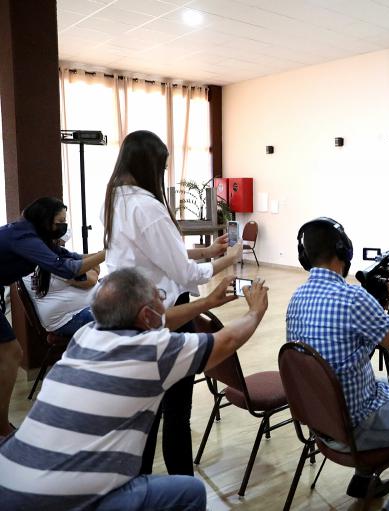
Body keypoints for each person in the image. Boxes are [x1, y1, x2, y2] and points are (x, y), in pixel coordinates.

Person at [0, 267, 270, 510]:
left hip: (9, 479)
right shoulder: (153, 351)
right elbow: (226, 341)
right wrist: (255, 310)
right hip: (55, 502)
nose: (164, 302)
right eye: (160, 297)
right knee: (189, 492)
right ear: (147, 315)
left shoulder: (86, 335)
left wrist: (208, 302)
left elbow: (161, 321)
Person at [102, 130, 242, 476]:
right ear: (151, 165)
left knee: (148, 409)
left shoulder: (117, 198)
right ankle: (182, 483)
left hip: (132, 310)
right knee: (176, 409)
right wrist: (230, 258)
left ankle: (142, 482)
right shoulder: (147, 206)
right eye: (163, 166)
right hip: (161, 312)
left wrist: (208, 251)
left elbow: (155, 252)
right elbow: (186, 272)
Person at [287, 218, 389, 511]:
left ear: (305, 257)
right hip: (354, 421)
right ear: (344, 251)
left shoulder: (296, 297)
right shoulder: (353, 298)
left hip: (319, 414)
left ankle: (365, 476)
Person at [0, 197, 105, 439]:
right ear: (44, 220)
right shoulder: (24, 238)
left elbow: (72, 257)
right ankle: (2, 428)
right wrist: (107, 253)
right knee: (11, 352)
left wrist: (102, 253)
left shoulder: (37, 239)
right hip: (63, 318)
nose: (63, 227)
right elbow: (68, 268)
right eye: (60, 222)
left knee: (9, 352)